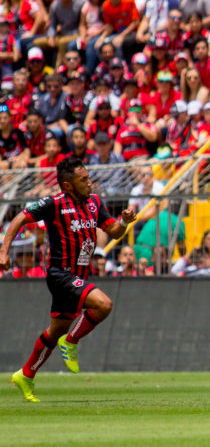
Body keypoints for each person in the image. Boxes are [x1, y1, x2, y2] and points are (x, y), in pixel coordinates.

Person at [2, 157, 137, 402]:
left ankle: (25, 374)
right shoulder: (53, 204)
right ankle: (72, 341)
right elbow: (20, 218)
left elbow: (114, 232)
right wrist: (3, 251)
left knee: (56, 331)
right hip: (60, 274)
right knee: (103, 304)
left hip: (78, 275)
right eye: (83, 180)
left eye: (88, 177)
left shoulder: (94, 203)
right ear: (67, 186)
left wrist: (124, 222)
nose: (89, 183)